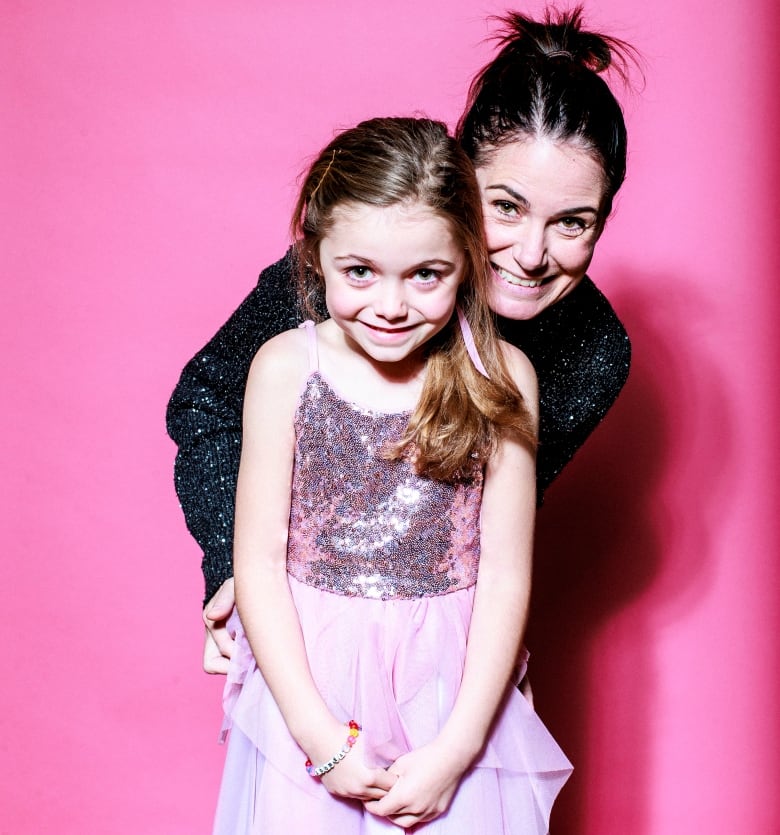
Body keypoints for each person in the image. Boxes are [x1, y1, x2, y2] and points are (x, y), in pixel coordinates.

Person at [166, 7, 637, 674]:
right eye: (505, 206)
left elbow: (492, 528)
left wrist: (484, 688)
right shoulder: (353, 270)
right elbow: (206, 399)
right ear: (456, 178)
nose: (531, 253)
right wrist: (231, 566)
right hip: (307, 631)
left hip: (440, 653)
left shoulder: (592, 350)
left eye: (572, 222)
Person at [213, 115, 571, 834]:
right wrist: (320, 740)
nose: (391, 304)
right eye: (360, 272)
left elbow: (506, 575)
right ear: (315, 254)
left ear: (468, 259)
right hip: (310, 682)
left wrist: (458, 747)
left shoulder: (503, 378)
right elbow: (258, 563)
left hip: (451, 690)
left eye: (426, 274)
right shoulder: (286, 368)